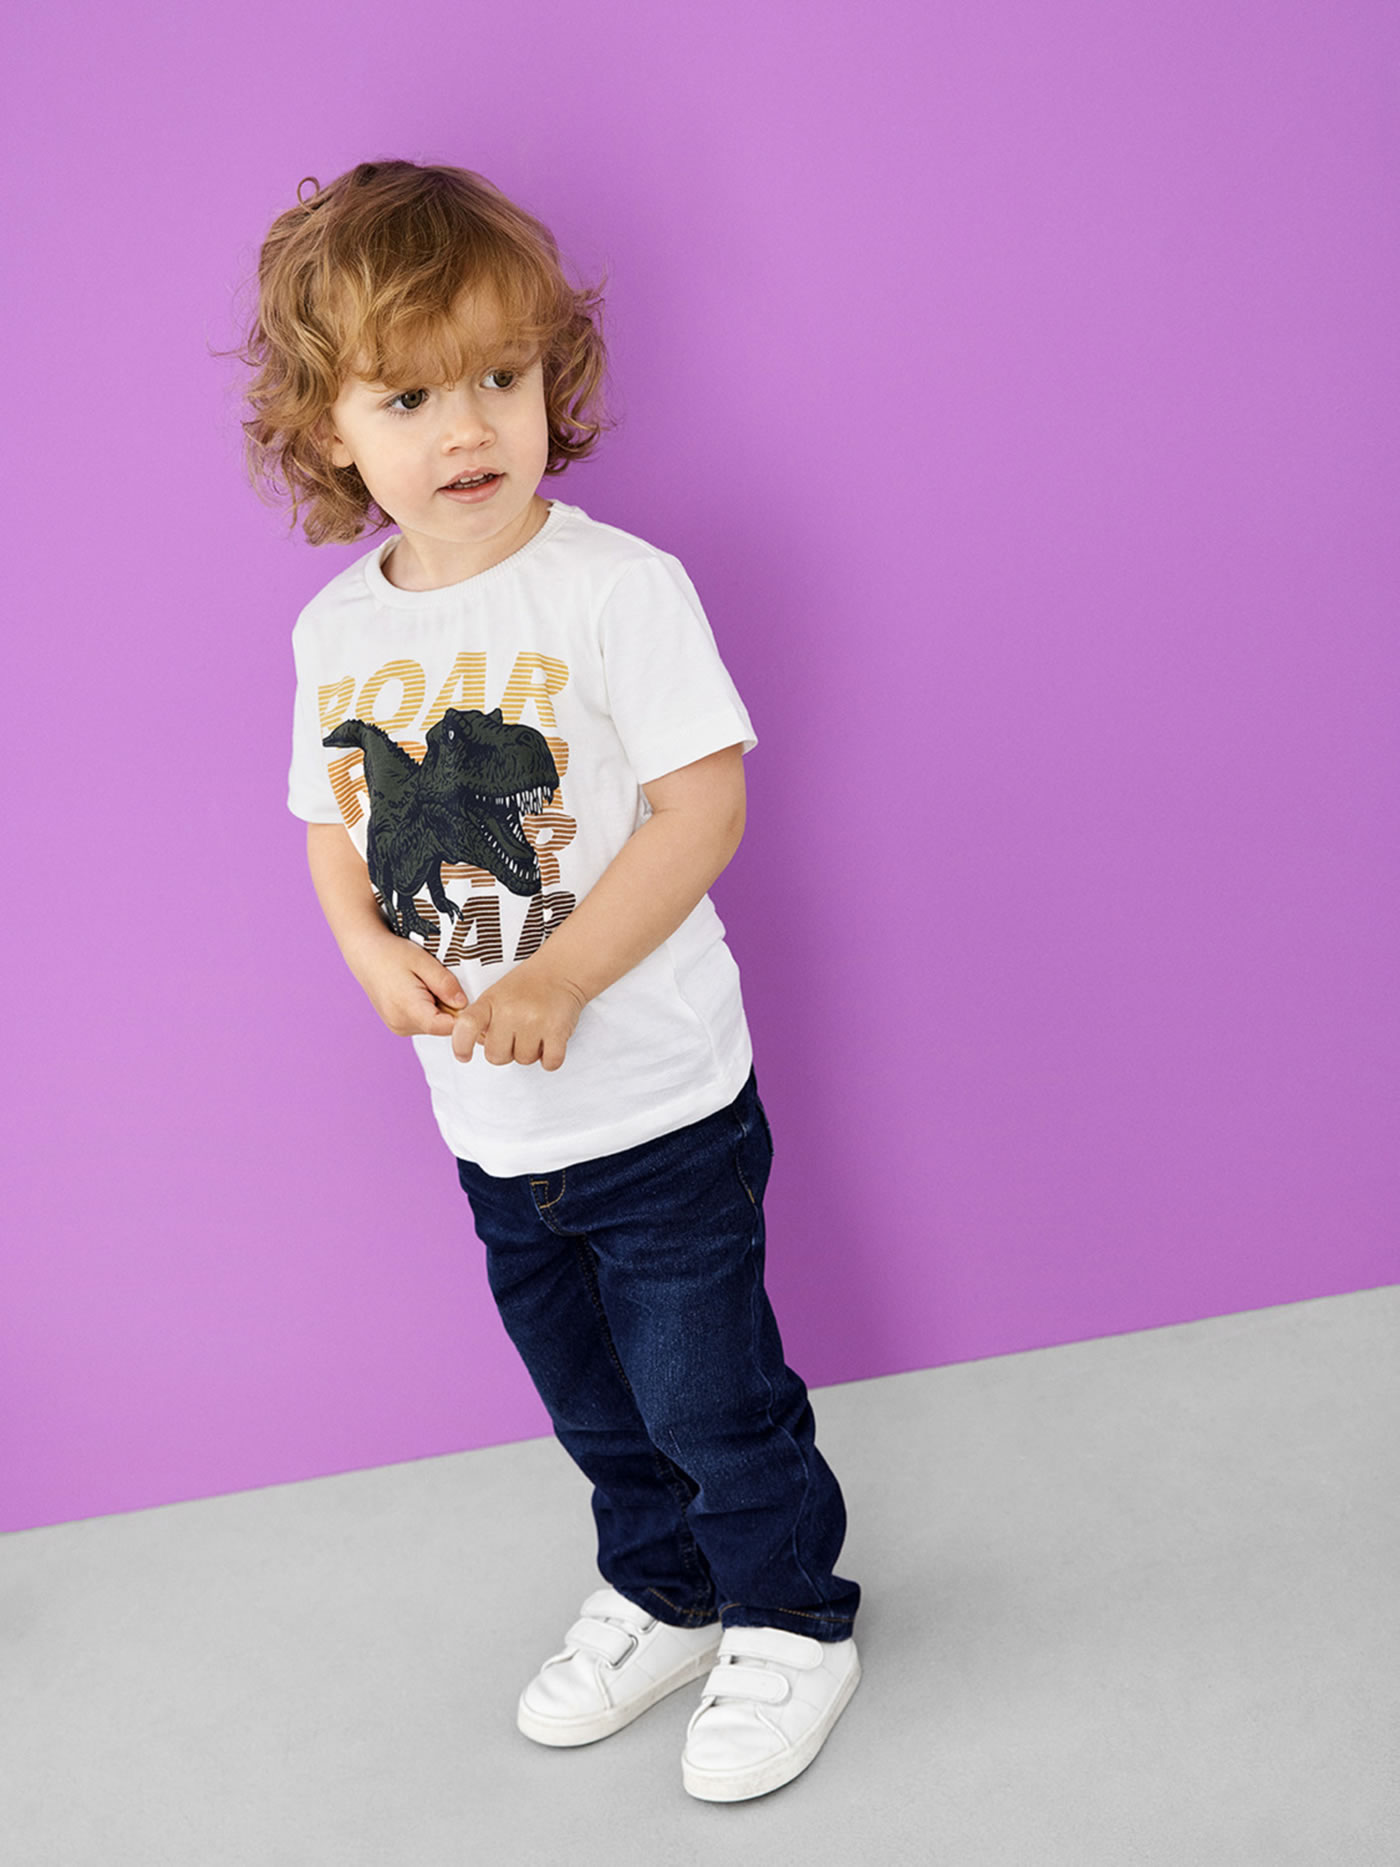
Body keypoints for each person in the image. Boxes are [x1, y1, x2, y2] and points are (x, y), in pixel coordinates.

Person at [238, 158, 861, 1802]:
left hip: (657, 1105)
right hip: (493, 1130)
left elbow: (701, 805)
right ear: (326, 427)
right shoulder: (335, 635)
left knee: (710, 1395)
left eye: (499, 379)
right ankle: (665, 1589)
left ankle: (789, 1613)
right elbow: (330, 823)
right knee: (591, 1399)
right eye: (409, 396)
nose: (467, 430)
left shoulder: (613, 588)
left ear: (549, 381)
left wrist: (568, 974)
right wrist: (367, 947)